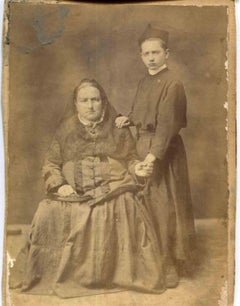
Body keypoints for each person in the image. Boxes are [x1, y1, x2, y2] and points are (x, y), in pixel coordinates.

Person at [10, 79, 168, 298]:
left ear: (103, 102)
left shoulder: (118, 128)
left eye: (95, 100)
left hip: (113, 187)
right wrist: (61, 186)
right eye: (84, 100)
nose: (90, 105)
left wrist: (138, 168)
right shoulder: (66, 129)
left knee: (124, 206)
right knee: (47, 213)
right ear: (76, 104)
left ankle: (111, 275)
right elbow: (51, 164)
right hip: (74, 192)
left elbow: (130, 159)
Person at [116, 24, 196, 286]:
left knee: (165, 206)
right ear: (141, 56)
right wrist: (128, 119)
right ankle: (150, 259)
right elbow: (141, 114)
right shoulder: (144, 82)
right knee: (146, 203)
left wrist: (152, 158)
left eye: (155, 52)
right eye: (146, 53)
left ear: (166, 53)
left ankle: (170, 262)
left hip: (164, 152)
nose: (150, 57)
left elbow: (167, 126)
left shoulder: (173, 84)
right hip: (142, 146)